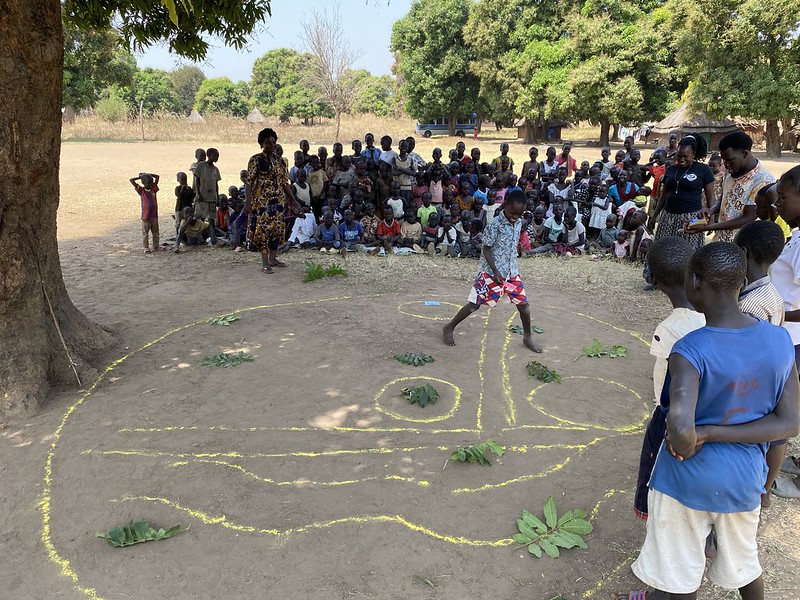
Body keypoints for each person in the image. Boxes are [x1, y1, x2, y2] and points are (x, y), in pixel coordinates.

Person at [626, 242, 800, 600]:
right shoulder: (780, 340)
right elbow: (790, 422)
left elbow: (680, 432)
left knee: (675, 579)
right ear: (740, 283)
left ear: (694, 282)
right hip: (743, 482)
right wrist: (715, 433)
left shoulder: (689, 350)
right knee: (744, 567)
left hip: (684, 483)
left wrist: (699, 434)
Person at [633, 236, 706, 521]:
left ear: (653, 279)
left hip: (674, 414)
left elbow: (669, 386)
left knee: (658, 468)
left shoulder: (671, 328)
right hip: (706, 412)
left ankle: (657, 514)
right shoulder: (709, 315)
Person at [442, 191, 542, 352]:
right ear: (505, 204)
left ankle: (527, 336)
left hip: (511, 274)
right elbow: (486, 250)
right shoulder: (495, 225)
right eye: (512, 213)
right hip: (490, 273)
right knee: (474, 305)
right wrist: (495, 271)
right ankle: (449, 327)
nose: (515, 217)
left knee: (524, 306)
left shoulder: (518, 223)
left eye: (519, 214)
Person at [734, 220, 789, 504]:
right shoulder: (771, 293)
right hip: (766, 382)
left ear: (743, 252)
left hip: (750, 389)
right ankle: (764, 491)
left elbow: (743, 355)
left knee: (749, 447)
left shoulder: (749, 305)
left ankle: (756, 493)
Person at [688, 132, 774, 243]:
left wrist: (708, 227)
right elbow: (724, 197)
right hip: (722, 240)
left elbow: (748, 218)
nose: (725, 165)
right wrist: (711, 210)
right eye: (724, 160)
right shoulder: (732, 171)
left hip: (743, 245)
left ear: (745, 154)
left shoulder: (762, 180)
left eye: (729, 160)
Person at [245, 128, 303, 274]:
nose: (271, 145)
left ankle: (273, 258)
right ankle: (265, 262)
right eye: (267, 143)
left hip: (278, 201)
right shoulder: (256, 160)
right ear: (261, 144)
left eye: (273, 142)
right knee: (263, 230)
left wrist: (293, 201)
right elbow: (249, 182)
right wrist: (247, 202)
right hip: (262, 201)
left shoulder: (280, 161)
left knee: (277, 229)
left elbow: (284, 183)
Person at [650, 135, 715, 251]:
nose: (681, 160)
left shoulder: (704, 170)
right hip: (668, 217)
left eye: (686, 156)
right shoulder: (671, 170)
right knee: (664, 252)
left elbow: (710, 196)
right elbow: (663, 196)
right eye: (679, 156)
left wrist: (712, 219)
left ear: (694, 154)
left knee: (687, 253)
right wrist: (654, 216)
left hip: (691, 218)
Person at [193, 148, 221, 245]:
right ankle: (199, 238)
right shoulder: (201, 166)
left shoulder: (215, 169)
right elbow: (197, 180)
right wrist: (198, 193)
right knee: (200, 218)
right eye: (216, 155)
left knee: (212, 219)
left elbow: (216, 184)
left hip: (212, 197)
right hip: (202, 197)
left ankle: (213, 238)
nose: (217, 157)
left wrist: (217, 196)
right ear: (209, 156)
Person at [130, 172, 160, 253]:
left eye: (151, 182)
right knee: (145, 233)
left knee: (156, 233)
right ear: (143, 183)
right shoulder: (141, 190)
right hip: (145, 216)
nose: (150, 184)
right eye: (148, 182)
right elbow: (131, 180)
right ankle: (146, 247)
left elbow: (157, 176)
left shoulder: (154, 188)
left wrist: (147, 174)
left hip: (154, 215)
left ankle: (156, 246)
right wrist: (141, 177)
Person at [392, 139, 416, 203]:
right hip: (397, 188)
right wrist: (407, 170)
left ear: (407, 148)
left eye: (406, 147)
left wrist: (400, 168)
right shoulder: (394, 159)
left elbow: (414, 173)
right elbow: (394, 173)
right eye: (402, 146)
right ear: (399, 147)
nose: (404, 148)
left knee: (406, 205)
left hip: (407, 187)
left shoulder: (410, 159)